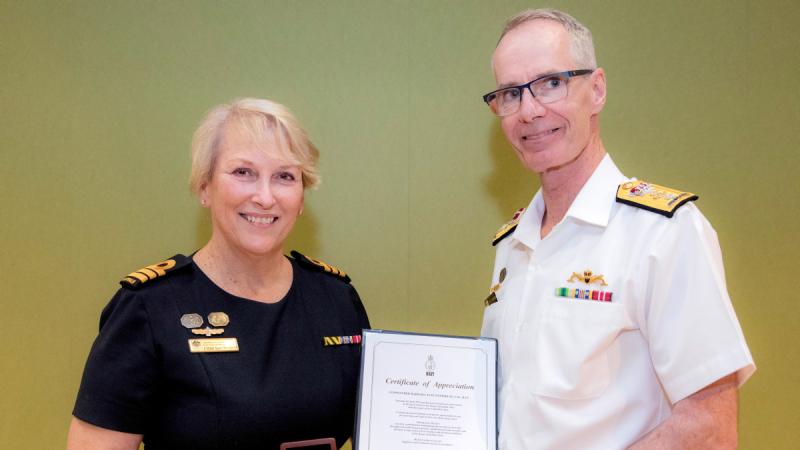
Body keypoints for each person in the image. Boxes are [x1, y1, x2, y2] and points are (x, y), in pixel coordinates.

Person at [479, 9, 754, 450]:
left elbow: (709, 428)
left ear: (598, 90)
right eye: (510, 93)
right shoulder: (513, 244)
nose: (530, 111)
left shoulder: (663, 234)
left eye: (551, 83)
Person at [67, 98, 370, 450]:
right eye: (244, 172)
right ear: (205, 187)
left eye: (285, 177)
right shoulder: (149, 307)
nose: (265, 196)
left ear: (302, 198)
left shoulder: (336, 299)